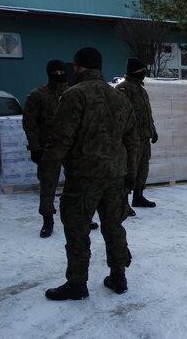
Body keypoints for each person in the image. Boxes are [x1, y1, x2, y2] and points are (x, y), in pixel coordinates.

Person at [42, 47, 139, 300]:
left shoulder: (74, 95)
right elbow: (133, 140)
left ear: (78, 67)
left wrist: (48, 174)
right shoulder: (119, 97)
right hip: (115, 175)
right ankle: (118, 276)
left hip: (84, 176)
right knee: (114, 225)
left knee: (77, 229)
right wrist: (131, 174)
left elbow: (60, 139)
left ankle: (77, 283)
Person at [22, 60, 99, 238]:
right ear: (48, 73)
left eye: (61, 71)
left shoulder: (74, 93)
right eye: (54, 72)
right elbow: (30, 123)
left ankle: (83, 216)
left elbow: (85, 120)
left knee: (79, 183)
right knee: (48, 184)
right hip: (49, 148)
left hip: (74, 148)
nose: (58, 74)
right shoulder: (37, 95)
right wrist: (35, 147)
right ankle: (47, 219)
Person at [116, 58, 158, 215]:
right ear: (134, 71)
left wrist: (153, 130)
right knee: (129, 169)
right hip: (131, 139)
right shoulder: (123, 89)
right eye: (142, 70)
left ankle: (138, 196)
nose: (144, 73)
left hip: (144, 136)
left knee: (143, 167)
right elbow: (120, 116)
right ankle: (124, 201)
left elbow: (147, 114)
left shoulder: (141, 89)